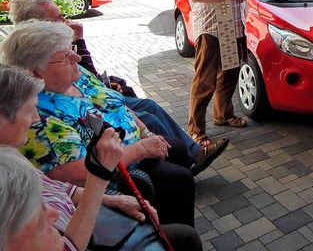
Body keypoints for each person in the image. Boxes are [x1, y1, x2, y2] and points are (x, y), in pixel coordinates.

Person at [7, 0, 228, 177]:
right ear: (36, 24)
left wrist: (106, 83)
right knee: (149, 115)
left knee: (149, 107)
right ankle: (182, 160)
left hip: (103, 99)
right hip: (103, 125)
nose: (64, 21)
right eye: (56, 19)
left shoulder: (58, 52)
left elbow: (86, 75)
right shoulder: (40, 63)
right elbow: (76, 94)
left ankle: (187, 155)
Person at [0, 20, 196, 227]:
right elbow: (79, 175)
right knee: (179, 179)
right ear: (36, 73)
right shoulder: (37, 115)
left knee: (178, 148)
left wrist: (145, 131)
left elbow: (116, 104)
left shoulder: (76, 76)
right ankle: (168, 236)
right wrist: (141, 149)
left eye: (72, 49)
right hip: (117, 172)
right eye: (65, 56)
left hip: (133, 147)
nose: (76, 57)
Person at [0, 64, 202, 250]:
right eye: (28, 110)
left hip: (89, 210)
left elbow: (60, 188)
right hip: (85, 226)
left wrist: (112, 201)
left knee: (171, 146)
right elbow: (65, 245)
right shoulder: (33, 136)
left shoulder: (9, 155)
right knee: (183, 232)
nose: (34, 117)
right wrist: (101, 173)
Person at [183, 0, 250, 147]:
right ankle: (195, 130)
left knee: (230, 72)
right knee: (205, 80)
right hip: (211, 27)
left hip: (231, 25)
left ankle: (223, 114)